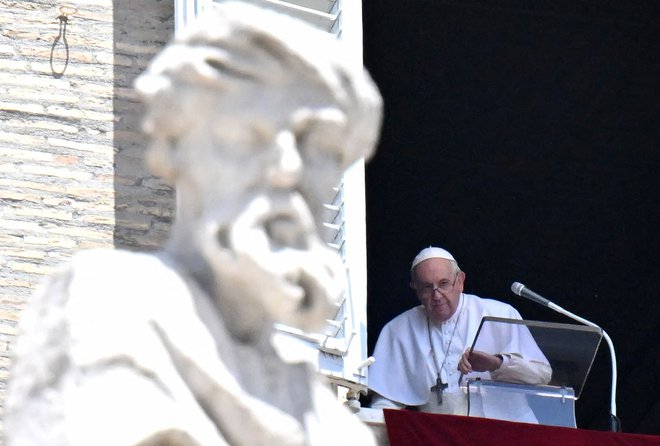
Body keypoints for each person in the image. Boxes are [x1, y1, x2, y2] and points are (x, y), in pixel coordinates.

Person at [4, 3, 382, 445]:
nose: (286, 168)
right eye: (248, 133)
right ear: (175, 148)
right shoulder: (108, 308)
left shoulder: (327, 422)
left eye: (314, 142)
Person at [368, 246, 552, 418]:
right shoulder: (398, 330)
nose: (437, 295)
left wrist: (496, 364)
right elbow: (387, 399)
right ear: (415, 289)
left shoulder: (500, 314)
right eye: (427, 287)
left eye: (444, 283)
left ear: (460, 281)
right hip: (441, 437)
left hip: (505, 432)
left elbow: (541, 374)